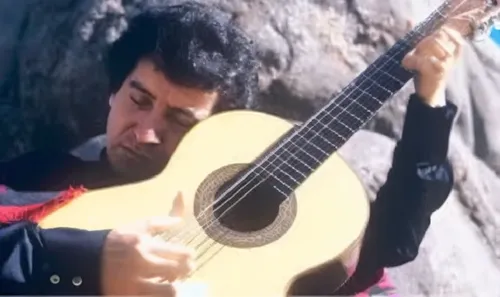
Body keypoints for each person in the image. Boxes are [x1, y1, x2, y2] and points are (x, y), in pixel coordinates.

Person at [0, 1, 461, 296]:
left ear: (215, 134)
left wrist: (430, 100)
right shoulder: (37, 180)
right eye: (139, 101)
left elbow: (390, 244)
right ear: (112, 91)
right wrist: (86, 260)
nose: (144, 132)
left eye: (181, 121)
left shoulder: (274, 220)